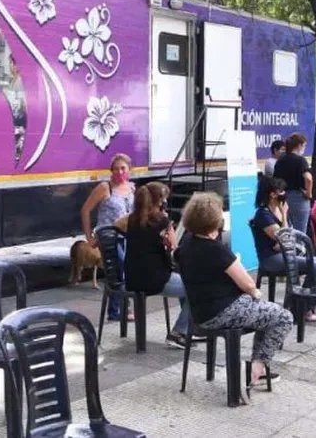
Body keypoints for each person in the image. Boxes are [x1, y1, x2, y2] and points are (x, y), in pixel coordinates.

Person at [175, 192, 294, 387]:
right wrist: (255, 293)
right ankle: (257, 369)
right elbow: (248, 284)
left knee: (265, 313)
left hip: (199, 314)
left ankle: (257, 368)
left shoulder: (186, 245)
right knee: (283, 317)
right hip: (223, 311)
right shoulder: (215, 249)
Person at [120, 182, 193, 348]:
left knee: (185, 286)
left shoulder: (131, 219)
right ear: (159, 201)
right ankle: (179, 332)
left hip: (133, 278)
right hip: (156, 279)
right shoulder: (162, 221)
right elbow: (174, 248)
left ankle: (187, 328)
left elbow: (115, 226)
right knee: (197, 288)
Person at [250, 176, 316, 321]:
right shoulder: (263, 214)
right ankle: (303, 310)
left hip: (285, 252)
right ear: (273, 194)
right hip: (271, 258)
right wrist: (284, 215)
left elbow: (288, 237)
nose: (285, 194)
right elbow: (284, 237)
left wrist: (284, 240)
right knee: (314, 266)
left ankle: (301, 304)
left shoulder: (280, 209)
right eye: (281, 191)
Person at [81, 153, 136, 320]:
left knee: (126, 269)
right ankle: (119, 309)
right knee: (118, 267)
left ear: (129, 170)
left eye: (123, 168)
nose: (120, 172)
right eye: (116, 169)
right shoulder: (105, 188)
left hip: (127, 234)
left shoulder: (132, 188)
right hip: (109, 235)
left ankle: (118, 309)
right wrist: (89, 236)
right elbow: (85, 210)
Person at [273, 132, 314, 233]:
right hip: (299, 198)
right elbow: (308, 178)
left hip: (283, 198)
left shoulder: (280, 160)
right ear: (299, 145)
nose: (304, 148)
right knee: (300, 232)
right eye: (304, 145)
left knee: (286, 230)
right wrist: (309, 193)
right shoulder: (300, 160)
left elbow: (275, 181)